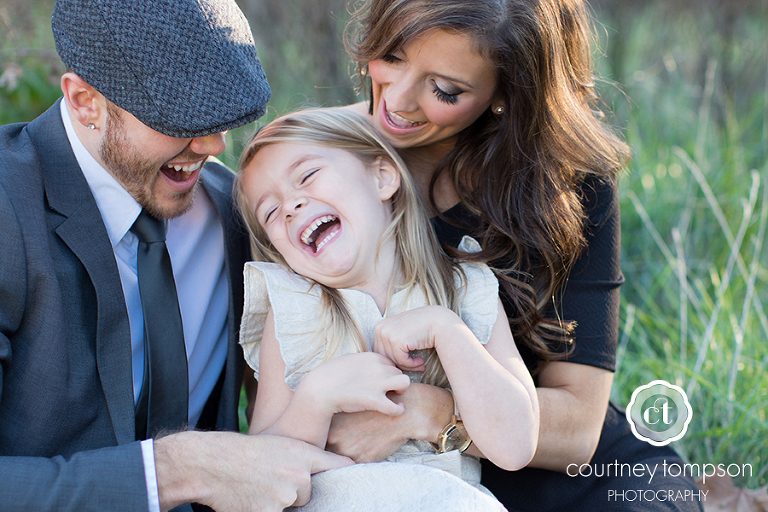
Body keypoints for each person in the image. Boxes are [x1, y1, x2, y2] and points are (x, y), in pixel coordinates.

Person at [324, 0, 706, 510]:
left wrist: (425, 412)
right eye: (391, 55)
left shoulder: (568, 185)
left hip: (560, 474)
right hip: (396, 481)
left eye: (444, 90)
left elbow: (576, 427)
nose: (395, 98)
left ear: (507, 93)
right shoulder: (310, 163)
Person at [0, 1, 349, 511]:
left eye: (223, 117)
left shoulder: (244, 214)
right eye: (181, 119)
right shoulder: (9, 207)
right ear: (84, 101)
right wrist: (174, 472)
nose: (214, 143)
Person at [236, 107, 539, 511]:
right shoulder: (293, 309)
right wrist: (315, 398)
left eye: (307, 176)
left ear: (382, 176)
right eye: (270, 212)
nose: (290, 206)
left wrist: (446, 330)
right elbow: (258, 476)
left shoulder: (465, 289)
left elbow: (516, 446)